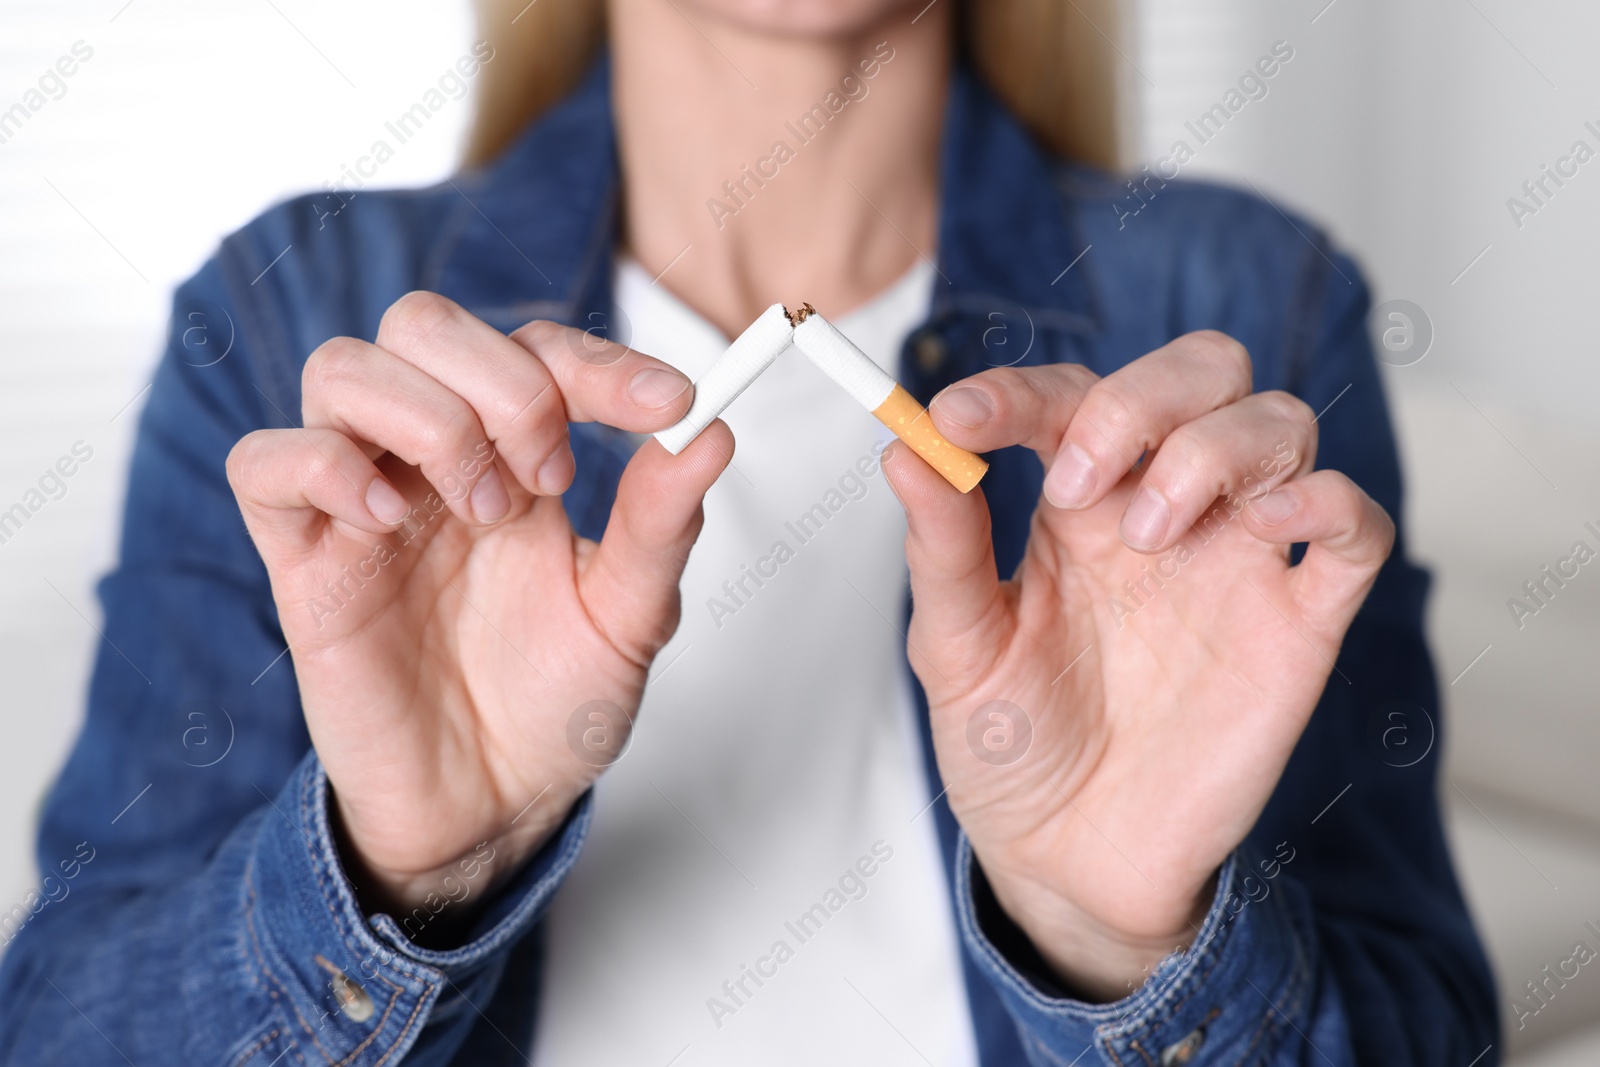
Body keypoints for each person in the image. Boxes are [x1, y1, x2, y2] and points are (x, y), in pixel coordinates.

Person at [0, 0, 1497, 1063]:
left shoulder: (1248, 300)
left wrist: (1123, 945)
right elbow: (58, 1030)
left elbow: (1427, 1023)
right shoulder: (293, 318)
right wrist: (395, 870)